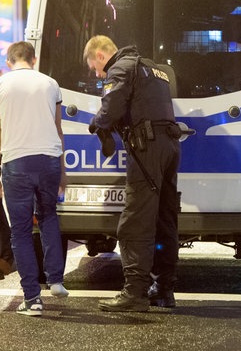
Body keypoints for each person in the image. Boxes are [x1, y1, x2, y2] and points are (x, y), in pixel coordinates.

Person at [83, 35, 181, 312]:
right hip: (169, 147)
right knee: (165, 219)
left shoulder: (121, 68)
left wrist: (97, 123)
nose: (97, 73)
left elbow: (110, 107)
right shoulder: (152, 68)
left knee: (136, 220)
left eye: (95, 68)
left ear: (100, 56)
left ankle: (135, 293)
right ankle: (163, 288)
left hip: (146, 148)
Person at [0, 41, 68, 317]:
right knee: (49, 217)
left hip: (16, 163)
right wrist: (63, 171)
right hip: (48, 161)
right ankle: (56, 279)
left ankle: (32, 299)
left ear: (9, 61)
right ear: (33, 59)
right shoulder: (51, 84)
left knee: (20, 230)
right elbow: (58, 129)